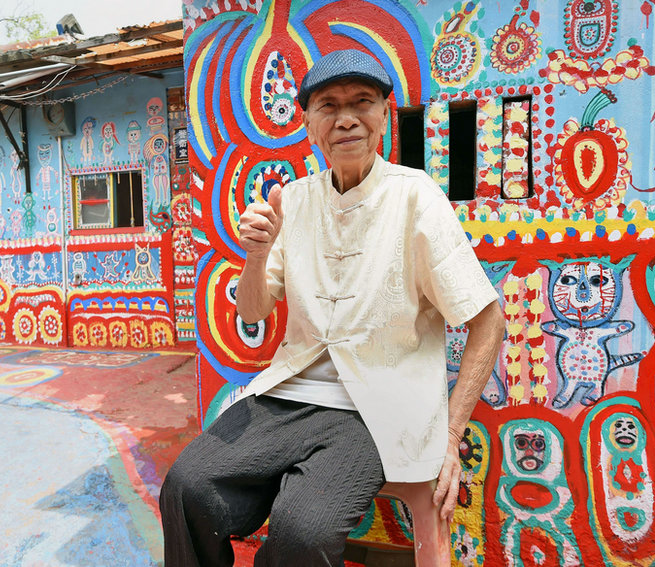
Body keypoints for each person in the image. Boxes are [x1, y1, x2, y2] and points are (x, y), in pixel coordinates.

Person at [160, 49, 505, 566]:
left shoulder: (417, 197)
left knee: (305, 532)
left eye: (362, 102)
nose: (346, 118)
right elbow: (252, 313)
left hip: (376, 406)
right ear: (308, 124)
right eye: (328, 106)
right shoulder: (293, 200)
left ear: (384, 115)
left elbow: (488, 320)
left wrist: (451, 435)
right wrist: (255, 255)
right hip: (287, 393)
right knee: (186, 485)